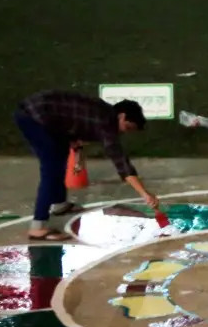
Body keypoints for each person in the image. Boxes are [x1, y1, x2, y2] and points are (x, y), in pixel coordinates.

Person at [14, 91, 157, 241]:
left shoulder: (103, 113)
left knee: (60, 156)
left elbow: (74, 122)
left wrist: (76, 149)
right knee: (51, 168)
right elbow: (121, 162)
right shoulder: (106, 123)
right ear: (121, 116)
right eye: (127, 127)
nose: (123, 132)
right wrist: (144, 194)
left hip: (48, 117)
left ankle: (59, 204)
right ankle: (37, 227)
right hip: (33, 116)